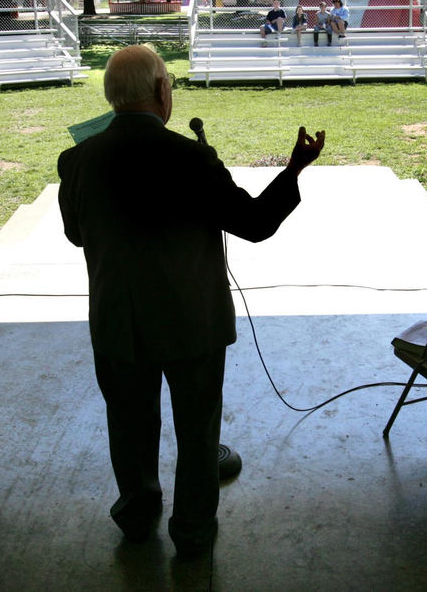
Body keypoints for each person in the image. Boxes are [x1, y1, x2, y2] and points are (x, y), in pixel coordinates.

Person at [57, 45, 325, 558]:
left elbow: (76, 234)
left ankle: (137, 517)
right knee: (198, 431)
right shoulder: (190, 157)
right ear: (163, 92)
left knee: (129, 427)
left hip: (117, 323)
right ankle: (194, 532)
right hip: (191, 325)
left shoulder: (77, 160)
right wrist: (294, 169)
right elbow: (254, 223)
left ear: (111, 98)